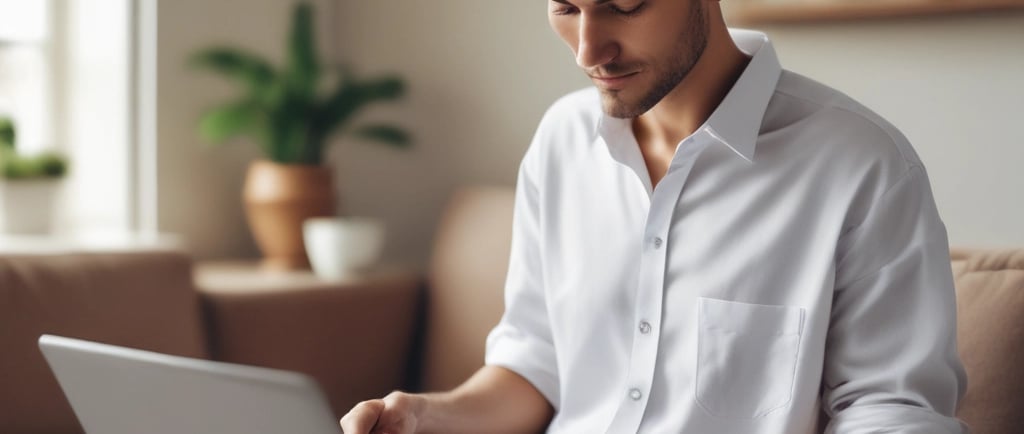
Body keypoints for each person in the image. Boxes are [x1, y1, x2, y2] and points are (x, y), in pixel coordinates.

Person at [340, 0, 968, 432]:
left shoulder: (861, 166)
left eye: (625, 4)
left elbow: (891, 410)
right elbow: (536, 365)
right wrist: (425, 417)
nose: (591, 49)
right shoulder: (562, 141)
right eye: (565, 7)